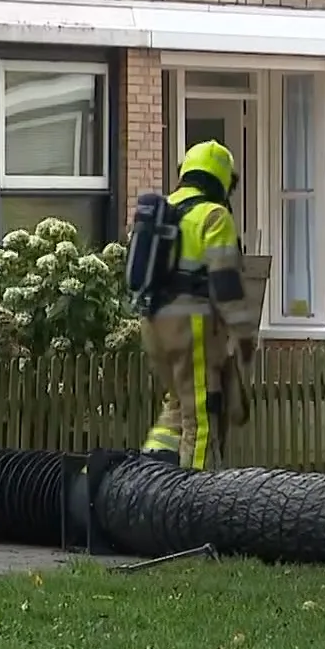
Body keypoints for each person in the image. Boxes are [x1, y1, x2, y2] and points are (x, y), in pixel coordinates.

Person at [137, 140, 258, 471]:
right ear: (221, 178)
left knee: (177, 407)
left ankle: (146, 474)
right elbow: (227, 286)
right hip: (189, 325)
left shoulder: (164, 209)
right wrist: (244, 335)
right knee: (202, 416)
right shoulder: (214, 215)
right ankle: (194, 507)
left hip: (153, 323)